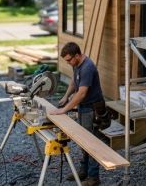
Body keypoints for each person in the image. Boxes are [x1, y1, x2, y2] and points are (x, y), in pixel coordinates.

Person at [48, 42, 105, 185]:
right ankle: (83, 171)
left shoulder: (87, 67)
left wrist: (64, 109)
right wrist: (66, 96)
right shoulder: (77, 64)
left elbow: (81, 93)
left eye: (69, 60)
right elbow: (74, 82)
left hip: (91, 108)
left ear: (77, 55)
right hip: (83, 107)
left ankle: (93, 177)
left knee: (91, 143)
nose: (68, 63)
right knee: (83, 141)